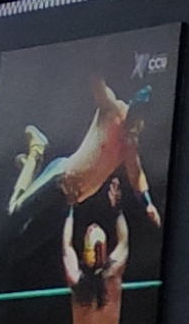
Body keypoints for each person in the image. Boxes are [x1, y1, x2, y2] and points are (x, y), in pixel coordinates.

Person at [9, 78, 158, 234]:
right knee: (14, 212)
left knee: (23, 236)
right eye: (133, 119)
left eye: (138, 124)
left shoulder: (130, 146)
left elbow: (136, 175)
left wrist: (148, 204)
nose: (133, 127)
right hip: (61, 176)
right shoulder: (113, 111)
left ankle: (31, 164)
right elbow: (98, 87)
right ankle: (36, 152)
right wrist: (97, 63)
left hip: (70, 199)